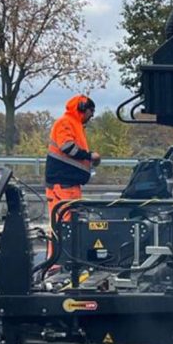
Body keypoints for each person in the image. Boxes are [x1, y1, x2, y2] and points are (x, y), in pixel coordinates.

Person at [44, 94, 100, 237]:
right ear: (82, 108)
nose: (92, 116)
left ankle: (64, 258)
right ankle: (58, 259)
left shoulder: (75, 125)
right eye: (91, 111)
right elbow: (67, 147)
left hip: (69, 186)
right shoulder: (65, 123)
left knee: (69, 226)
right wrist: (89, 155)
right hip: (62, 187)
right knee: (63, 227)